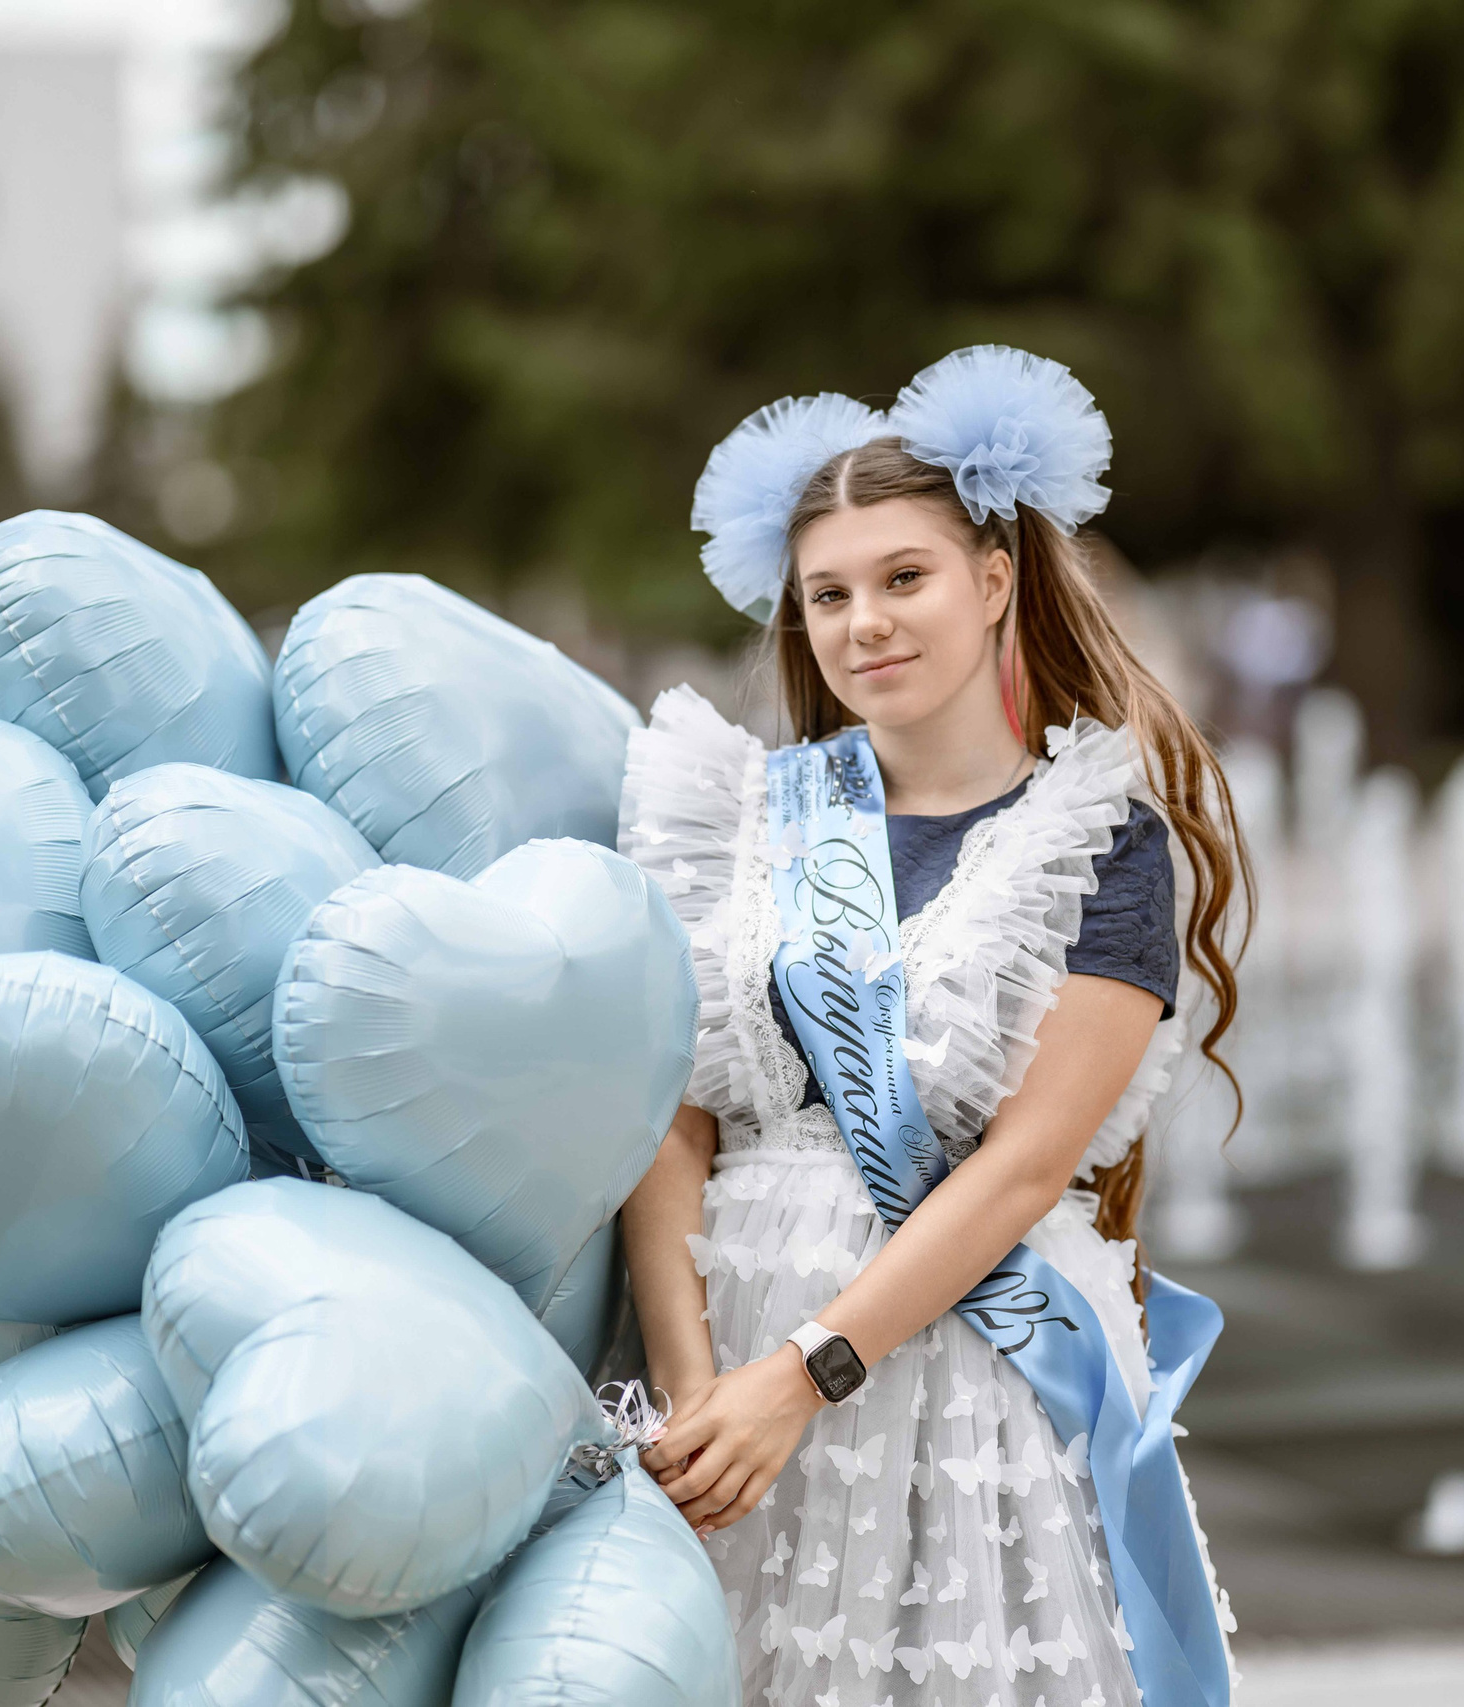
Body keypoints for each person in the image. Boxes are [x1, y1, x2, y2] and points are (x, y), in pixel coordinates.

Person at [617, 347, 1247, 1707]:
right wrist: (694, 1390)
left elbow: (1023, 1168)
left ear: (994, 577)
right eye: (828, 594)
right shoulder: (740, 819)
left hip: (968, 1377)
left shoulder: (1097, 840)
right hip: (734, 1387)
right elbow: (672, 1119)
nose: (864, 624)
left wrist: (807, 1372)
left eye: (903, 577)